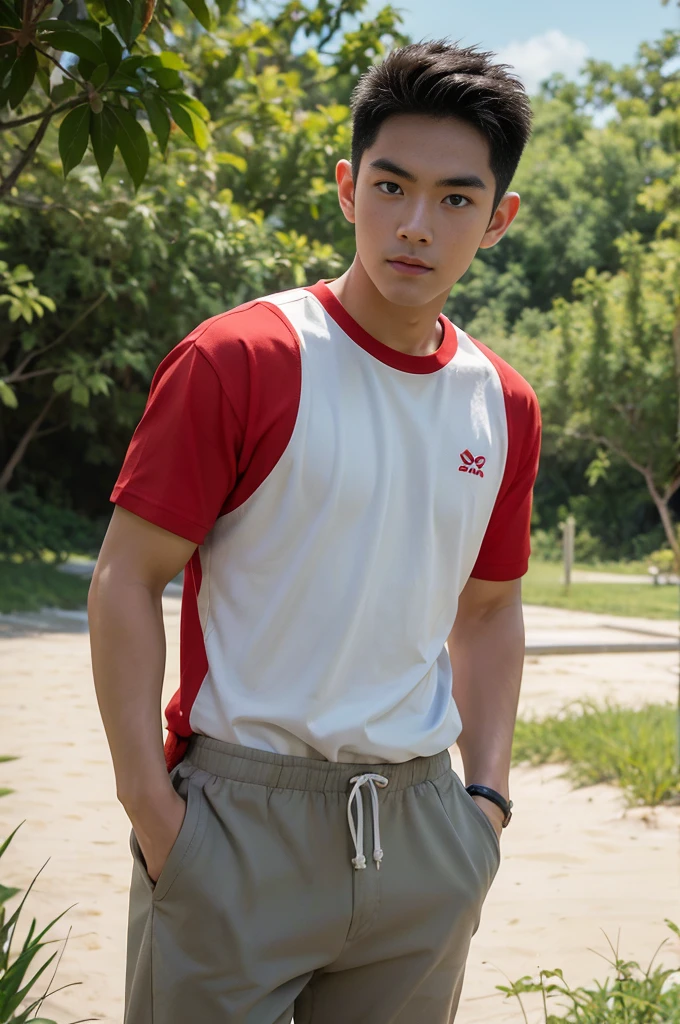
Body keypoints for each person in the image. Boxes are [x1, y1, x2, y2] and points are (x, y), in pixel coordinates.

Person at [88, 38, 540, 1024]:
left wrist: (484, 803)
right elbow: (127, 577)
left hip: (422, 829)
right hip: (232, 827)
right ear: (346, 187)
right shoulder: (240, 358)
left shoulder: (500, 404)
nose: (414, 225)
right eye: (390, 185)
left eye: (455, 199)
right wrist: (151, 810)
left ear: (497, 219)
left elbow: (492, 606)